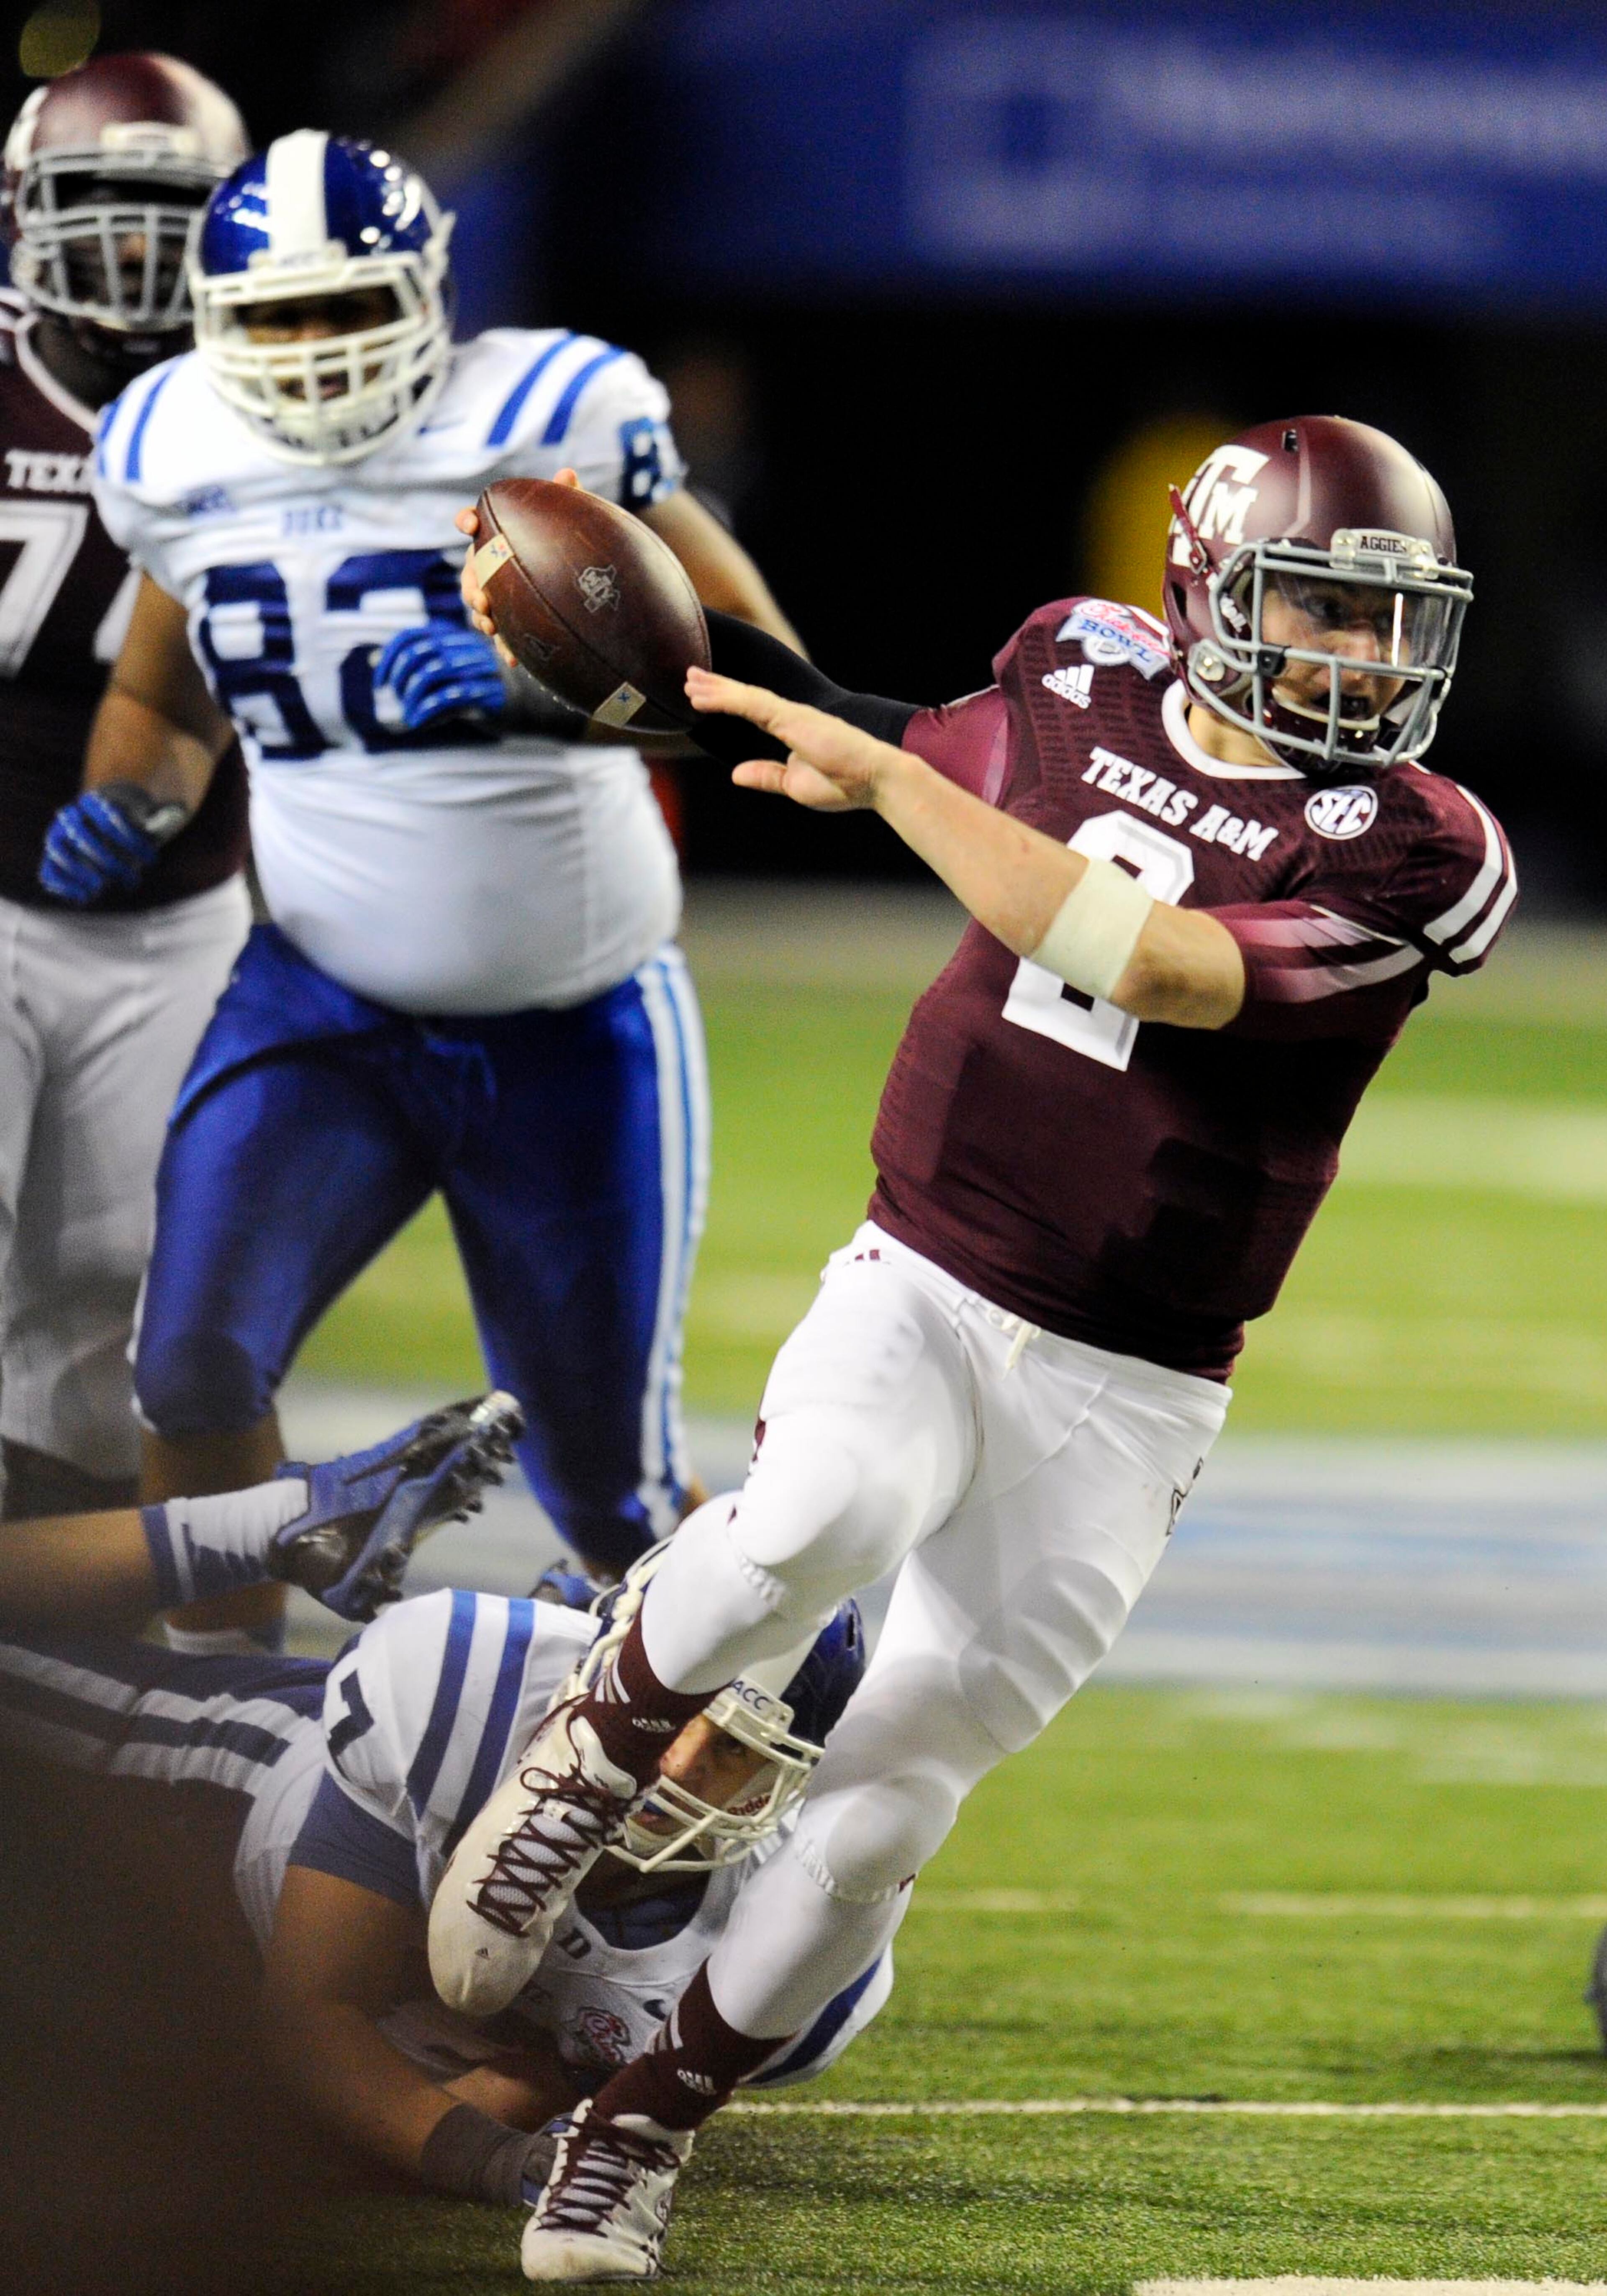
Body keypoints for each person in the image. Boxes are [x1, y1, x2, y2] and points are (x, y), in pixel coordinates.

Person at [433, 418, 1517, 2280]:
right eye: (1324, 612)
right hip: (936, 1258)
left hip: (1140, 1375)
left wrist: (895, 785)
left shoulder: (1422, 846)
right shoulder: (1076, 671)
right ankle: (592, 1744)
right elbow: (833, 712)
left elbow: (1161, 962)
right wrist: (623, 571)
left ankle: (637, 2132)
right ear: (1210, 594)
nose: (1361, 661)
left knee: (884, 1815)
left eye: (1388, 625)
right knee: (822, 1511)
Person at [85, 128, 802, 1589]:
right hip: (321, 1005)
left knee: (607, 1489)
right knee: (193, 1373)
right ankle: (226, 1713)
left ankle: (735, 1744)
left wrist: (543, 691)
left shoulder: (556, 410)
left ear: (428, 296)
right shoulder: (170, 444)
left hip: (572, 1020)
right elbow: (162, 701)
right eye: (277, 315)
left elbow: (769, 686)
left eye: (347, 307)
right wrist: (134, 796)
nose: (313, 349)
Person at [0, 1441, 881, 2206]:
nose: (681, 1764)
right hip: (195, 1807)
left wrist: (476, 2128)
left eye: (736, 1750)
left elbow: (466, 2094)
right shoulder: (466, 1691)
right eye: (676, 1710)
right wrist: (506, 2167)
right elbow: (311, 2018)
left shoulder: (782, 1937)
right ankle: (276, 1523)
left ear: (792, 1776)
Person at [0, 54, 250, 1530]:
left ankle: (66, 1663)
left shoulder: (280, 382)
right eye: (108, 216)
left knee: (126, 1308)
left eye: (176, 220)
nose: (143, 257)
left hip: (176, 906)